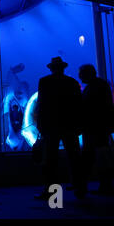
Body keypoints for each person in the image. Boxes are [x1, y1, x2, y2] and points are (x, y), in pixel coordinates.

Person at [35, 57, 86, 200]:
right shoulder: (72, 83)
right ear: (63, 68)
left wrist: (41, 124)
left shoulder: (44, 82)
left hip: (51, 126)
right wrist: (79, 125)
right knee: (74, 158)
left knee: (51, 161)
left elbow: (41, 105)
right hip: (70, 125)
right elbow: (78, 105)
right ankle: (79, 189)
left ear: (51, 68)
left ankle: (52, 192)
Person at [79, 64, 114, 196]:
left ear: (87, 74)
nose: (79, 76)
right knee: (101, 156)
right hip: (100, 128)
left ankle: (98, 186)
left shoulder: (93, 87)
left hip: (95, 128)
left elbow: (90, 107)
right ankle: (105, 186)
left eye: (81, 74)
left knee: (95, 157)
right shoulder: (101, 85)